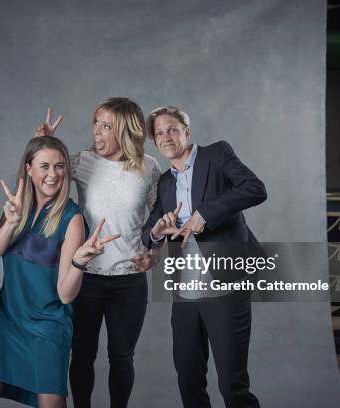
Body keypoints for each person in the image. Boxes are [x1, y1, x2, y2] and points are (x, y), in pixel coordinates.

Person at [0, 136, 119, 408]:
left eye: (60, 166)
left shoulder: (71, 218)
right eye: (45, 166)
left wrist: (78, 262)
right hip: (8, 321)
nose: (53, 174)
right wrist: (10, 224)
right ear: (29, 169)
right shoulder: (16, 207)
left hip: (47, 327)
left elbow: (65, 295)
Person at [34, 98, 162, 408]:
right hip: (84, 278)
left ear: (127, 132)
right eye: (97, 124)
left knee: (122, 358)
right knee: (82, 356)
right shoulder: (81, 162)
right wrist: (44, 144)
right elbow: (42, 184)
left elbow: (160, 224)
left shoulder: (150, 168)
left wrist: (154, 256)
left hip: (128, 280)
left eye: (106, 126)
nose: (97, 132)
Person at [141, 105, 265, 408]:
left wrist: (205, 215)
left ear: (187, 131)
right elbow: (150, 230)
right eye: (159, 133)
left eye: (172, 129)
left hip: (225, 287)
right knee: (188, 378)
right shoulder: (165, 182)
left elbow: (255, 189)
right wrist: (157, 232)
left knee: (232, 386)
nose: (166, 137)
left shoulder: (217, 155)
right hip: (185, 293)